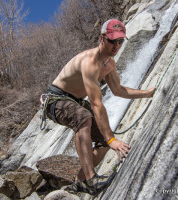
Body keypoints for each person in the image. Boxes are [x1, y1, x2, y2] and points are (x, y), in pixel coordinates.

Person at [43, 19, 156, 195]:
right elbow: (96, 103)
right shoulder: (89, 62)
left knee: (103, 141)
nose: (116, 46)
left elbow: (118, 90)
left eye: (120, 41)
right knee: (84, 118)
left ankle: (80, 181)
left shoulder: (110, 63)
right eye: (113, 40)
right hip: (56, 99)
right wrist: (112, 139)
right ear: (102, 38)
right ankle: (91, 179)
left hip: (75, 101)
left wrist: (146, 93)